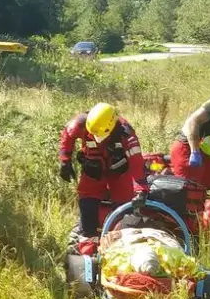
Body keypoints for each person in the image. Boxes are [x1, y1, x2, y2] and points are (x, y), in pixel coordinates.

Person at [59, 102, 148, 248]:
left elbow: (136, 164)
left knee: (125, 201)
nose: (95, 137)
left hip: (119, 171)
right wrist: (65, 162)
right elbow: (67, 136)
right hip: (94, 168)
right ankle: (87, 238)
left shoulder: (126, 133)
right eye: (92, 134)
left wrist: (141, 190)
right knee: (87, 196)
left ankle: (118, 239)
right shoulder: (80, 124)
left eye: (99, 135)